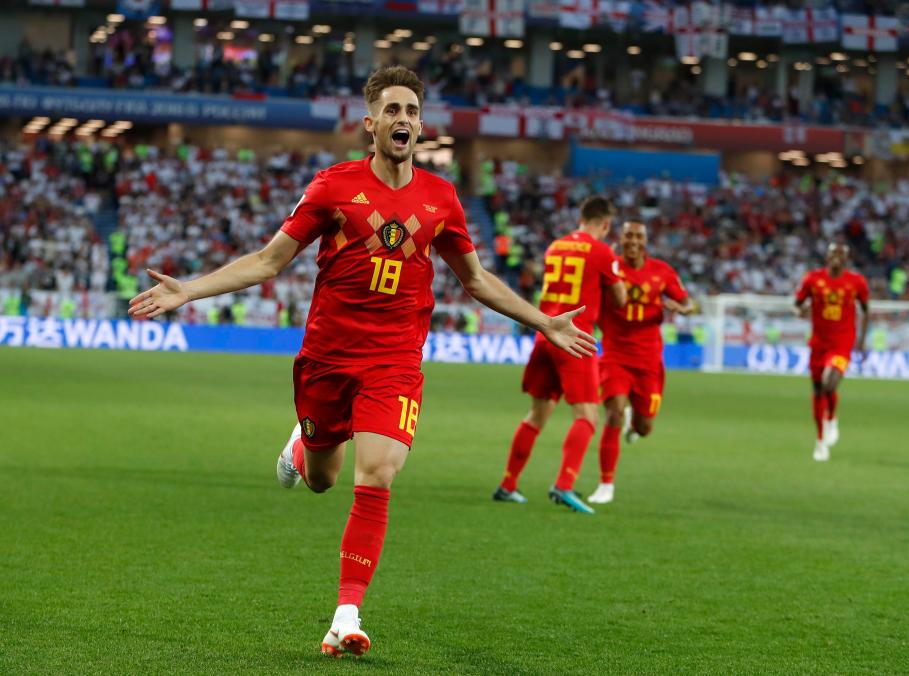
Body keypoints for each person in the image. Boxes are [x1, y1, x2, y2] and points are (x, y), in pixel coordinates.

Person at [128, 66, 595, 659]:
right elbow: (270, 262)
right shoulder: (331, 188)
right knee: (323, 479)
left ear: (422, 125)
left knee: (377, 471)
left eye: (412, 111)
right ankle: (304, 444)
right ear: (370, 123)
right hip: (327, 356)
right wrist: (190, 289)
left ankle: (345, 615)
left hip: (395, 358)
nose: (404, 120)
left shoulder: (441, 198)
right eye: (392, 110)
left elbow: (476, 280)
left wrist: (544, 320)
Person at [493, 196, 626, 514]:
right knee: (588, 416)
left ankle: (508, 485)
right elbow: (619, 300)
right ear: (605, 224)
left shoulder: (556, 245)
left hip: (545, 333)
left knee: (536, 416)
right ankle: (564, 485)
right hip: (574, 338)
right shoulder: (602, 250)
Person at [587, 220, 693, 505]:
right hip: (615, 355)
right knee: (614, 413)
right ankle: (605, 484)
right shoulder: (610, 267)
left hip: (648, 361)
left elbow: (689, 304)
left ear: (646, 241)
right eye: (628, 235)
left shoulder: (662, 271)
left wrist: (679, 307)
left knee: (645, 428)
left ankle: (635, 424)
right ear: (620, 239)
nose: (633, 240)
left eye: (638, 236)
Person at [794, 242, 869, 462]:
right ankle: (820, 442)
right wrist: (800, 311)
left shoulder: (856, 282)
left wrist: (862, 341)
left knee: (830, 383)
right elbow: (797, 304)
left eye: (841, 254)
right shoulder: (812, 279)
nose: (836, 257)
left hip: (842, 343)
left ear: (846, 259)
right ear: (826, 257)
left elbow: (866, 311)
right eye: (832, 253)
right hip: (818, 343)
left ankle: (832, 418)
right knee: (818, 391)